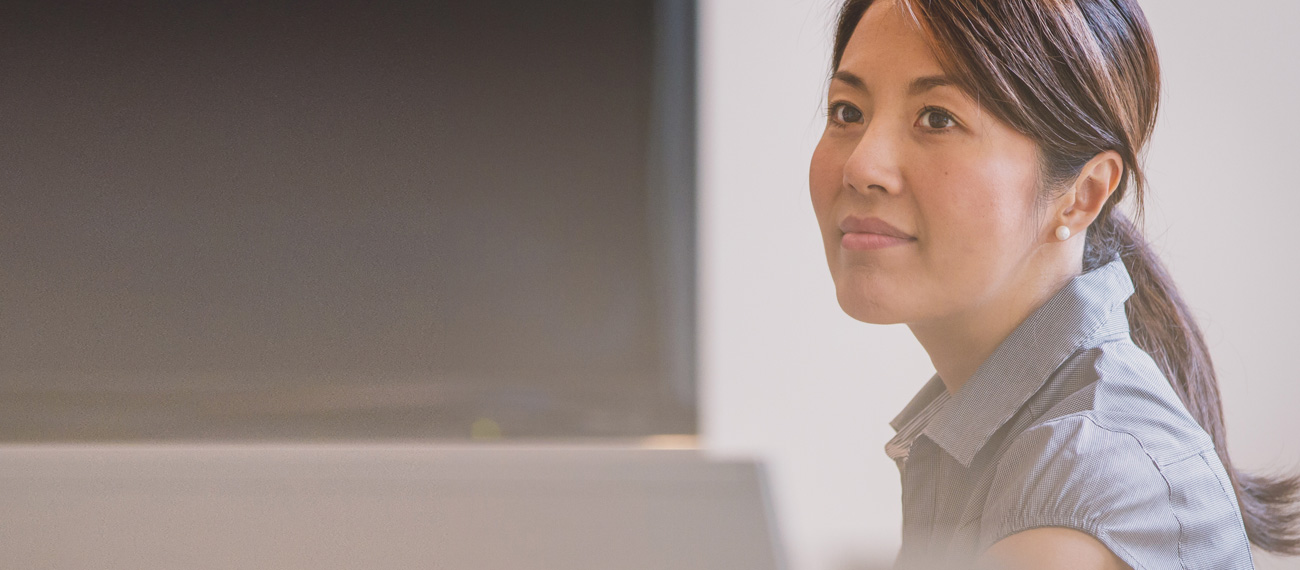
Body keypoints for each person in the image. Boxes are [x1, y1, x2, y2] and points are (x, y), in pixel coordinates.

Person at [807, 0, 1300, 568]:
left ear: (1083, 194)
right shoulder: (1009, 440)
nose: (862, 166)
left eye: (937, 119)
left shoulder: (1086, 489)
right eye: (847, 111)